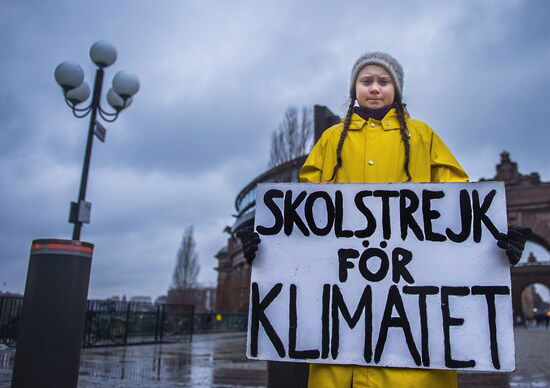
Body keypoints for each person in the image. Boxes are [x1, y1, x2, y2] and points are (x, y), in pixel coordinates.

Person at [238, 52, 531, 388]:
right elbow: (306, 218)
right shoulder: (330, 141)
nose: (375, 88)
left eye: (383, 81)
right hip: (339, 350)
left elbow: (457, 209)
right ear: (354, 89)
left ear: (397, 89)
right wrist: (271, 244)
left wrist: (492, 240)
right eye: (366, 81)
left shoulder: (424, 137)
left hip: (414, 358)